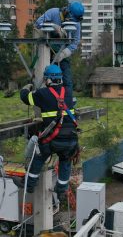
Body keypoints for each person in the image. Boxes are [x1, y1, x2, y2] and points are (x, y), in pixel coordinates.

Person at [13, 65, 79, 200]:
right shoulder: (68, 92)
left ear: (48, 80)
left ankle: (29, 185)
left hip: (52, 140)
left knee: (38, 157)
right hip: (71, 139)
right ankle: (61, 191)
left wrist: (27, 87)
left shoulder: (43, 93)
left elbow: (25, 98)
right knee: (65, 160)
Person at [35, 1, 85, 90]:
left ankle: (67, 100)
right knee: (45, 77)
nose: (72, 22)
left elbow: (75, 41)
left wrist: (63, 54)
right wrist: (53, 26)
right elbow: (38, 23)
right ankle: (46, 97)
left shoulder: (76, 24)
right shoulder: (53, 13)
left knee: (67, 80)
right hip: (47, 50)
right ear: (67, 12)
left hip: (63, 52)